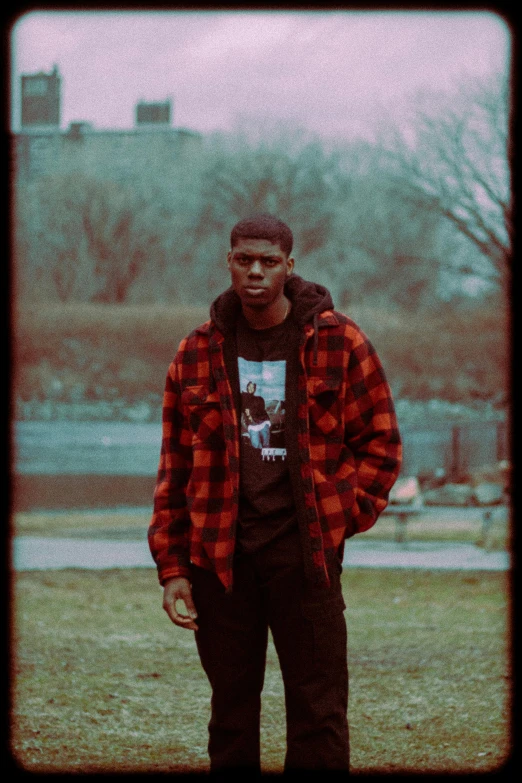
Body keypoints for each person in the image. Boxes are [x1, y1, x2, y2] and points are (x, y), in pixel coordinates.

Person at [149, 214, 402, 775]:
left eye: (268, 261)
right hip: (221, 558)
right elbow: (175, 469)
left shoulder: (340, 341)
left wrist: (337, 517)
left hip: (306, 557)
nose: (256, 272)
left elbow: (381, 445)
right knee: (231, 717)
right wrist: (173, 569)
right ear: (229, 263)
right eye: (244, 260)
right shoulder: (194, 353)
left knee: (319, 713)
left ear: (290, 267)